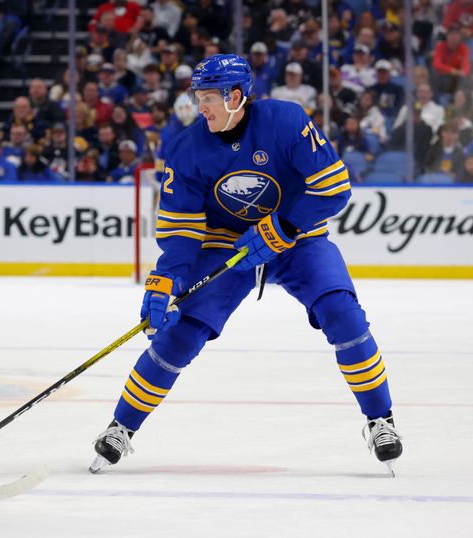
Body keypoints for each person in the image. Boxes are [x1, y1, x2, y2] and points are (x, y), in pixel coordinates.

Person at [90, 55, 403, 475]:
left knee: (342, 313)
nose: (200, 108)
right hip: (227, 246)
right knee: (181, 332)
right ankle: (121, 427)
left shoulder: (287, 121)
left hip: (297, 238)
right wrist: (166, 278)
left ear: (236, 96)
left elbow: (334, 188)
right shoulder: (185, 148)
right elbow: (182, 231)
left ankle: (381, 419)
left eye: (208, 98)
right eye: (197, 97)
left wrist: (286, 225)